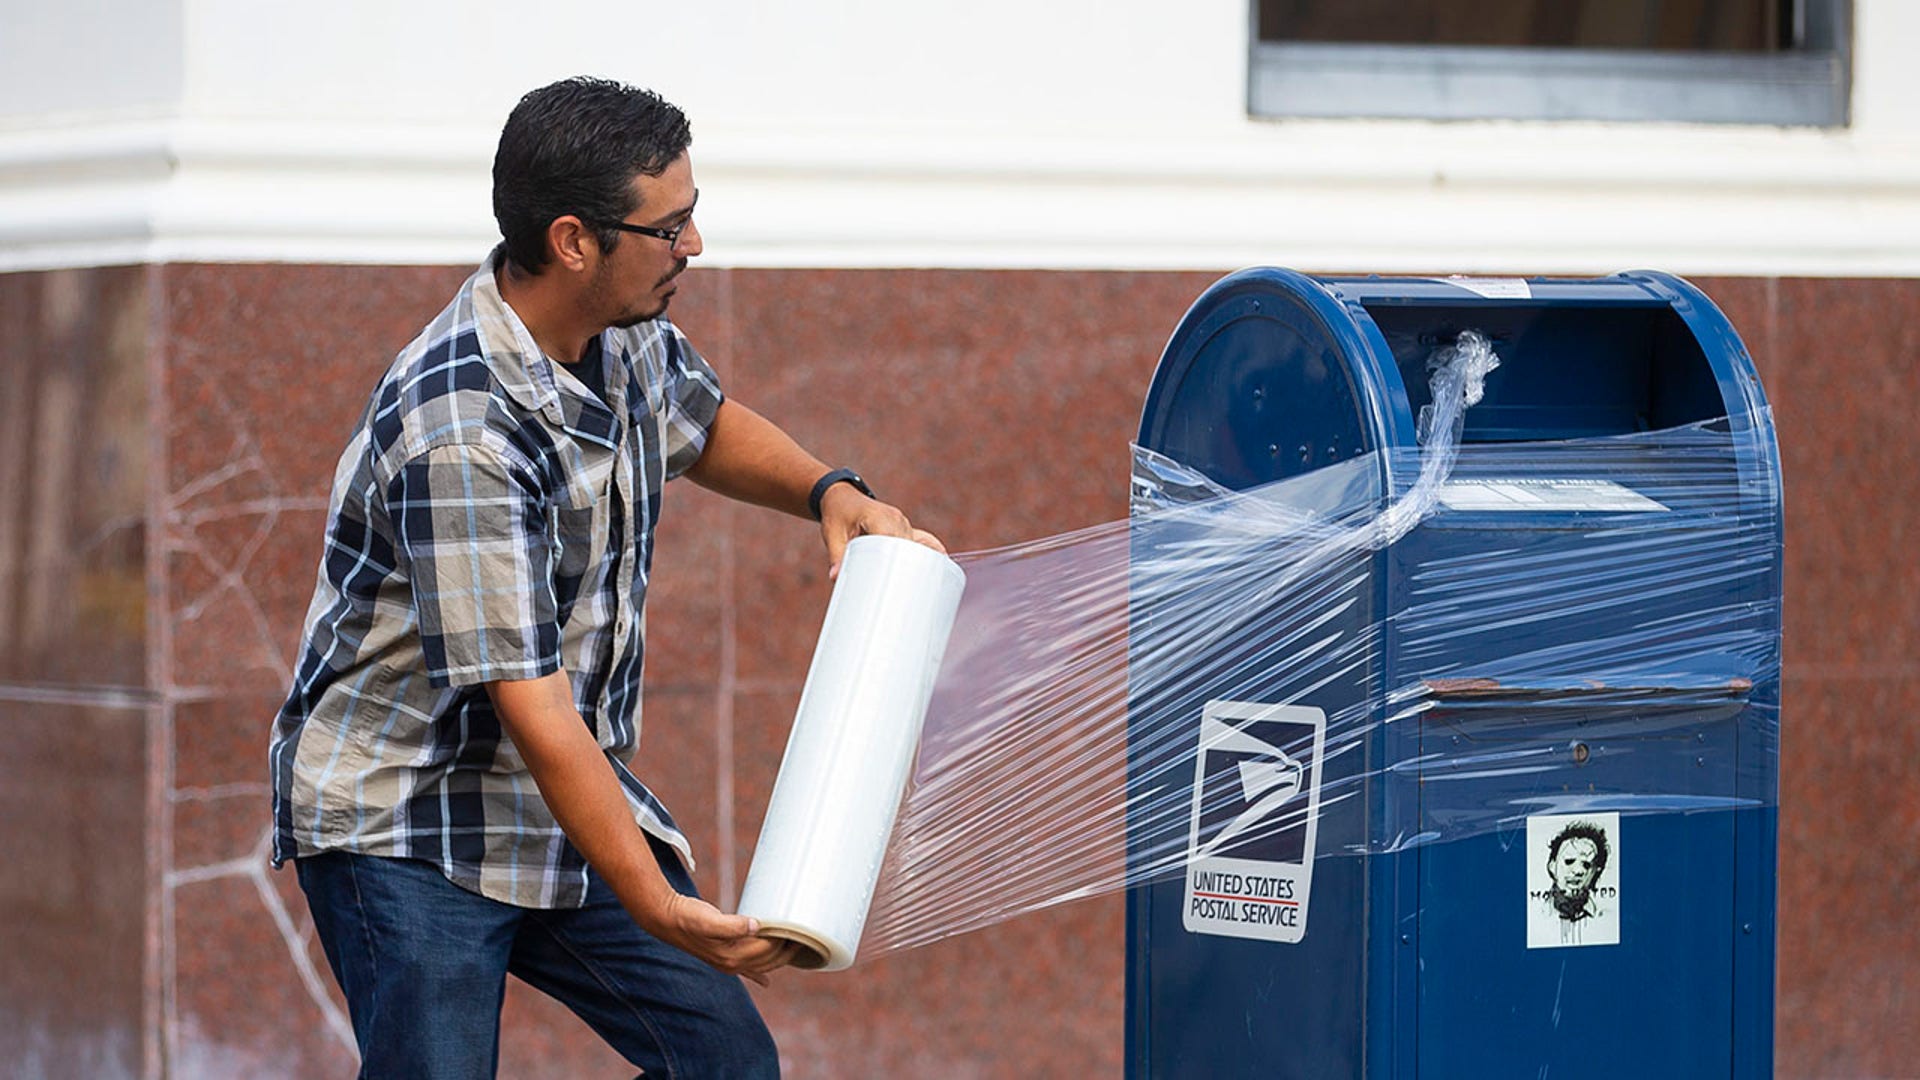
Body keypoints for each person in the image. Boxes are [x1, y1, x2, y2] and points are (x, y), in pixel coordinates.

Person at [268, 76, 942, 1078]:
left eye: (694, 216)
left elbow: (701, 423)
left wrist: (827, 491)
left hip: (538, 796)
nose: (696, 249)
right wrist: (659, 904)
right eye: (672, 228)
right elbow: (533, 707)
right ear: (576, 240)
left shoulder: (617, 332)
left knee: (723, 1063)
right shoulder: (464, 433)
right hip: (404, 821)